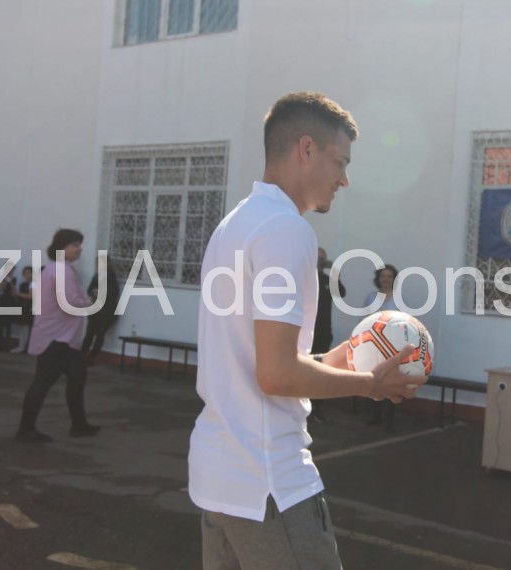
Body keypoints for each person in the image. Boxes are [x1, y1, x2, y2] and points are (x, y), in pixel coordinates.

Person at [188, 92, 426, 570]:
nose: (344, 179)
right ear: (306, 149)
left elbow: (263, 362)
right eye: (341, 162)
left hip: (220, 477)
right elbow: (276, 375)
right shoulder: (285, 230)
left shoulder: (235, 225)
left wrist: (350, 355)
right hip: (268, 482)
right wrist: (370, 384)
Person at [14, 229, 99, 443]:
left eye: (79, 245)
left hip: (61, 337)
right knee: (43, 382)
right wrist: (89, 302)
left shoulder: (57, 268)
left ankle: (79, 424)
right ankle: (26, 429)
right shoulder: (61, 270)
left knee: (77, 376)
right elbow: (69, 302)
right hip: (56, 338)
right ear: (63, 247)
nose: (80, 249)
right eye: (75, 245)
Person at [309, 247, 346, 422]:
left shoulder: (327, 280)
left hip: (323, 333)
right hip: (302, 332)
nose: (320, 262)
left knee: (320, 368)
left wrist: (335, 272)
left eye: (322, 259)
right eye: (317, 258)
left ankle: (316, 406)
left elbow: (341, 293)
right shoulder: (302, 278)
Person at [362, 264, 401, 432]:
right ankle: (375, 417)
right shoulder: (371, 298)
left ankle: (390, 420)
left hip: (392, 347)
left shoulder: (399, 300)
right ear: (378, 279)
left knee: (391, 382)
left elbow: (405, 324)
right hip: (373, 345)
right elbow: (364, 321)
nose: (386, 279)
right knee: (374, 380)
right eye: (383, 276)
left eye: (389, 276)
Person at [80, 258, 121, 366]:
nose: (97, 265)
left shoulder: (110, 277)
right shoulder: (96, 276)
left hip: (106, 312)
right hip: (95, 310)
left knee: (99, 334)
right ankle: (81, 356)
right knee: (89, 334)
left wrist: (100, 292)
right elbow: (90, 290)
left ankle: (91, 357)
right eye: (96, 263)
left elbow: (112, 293)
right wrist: (94, 292)